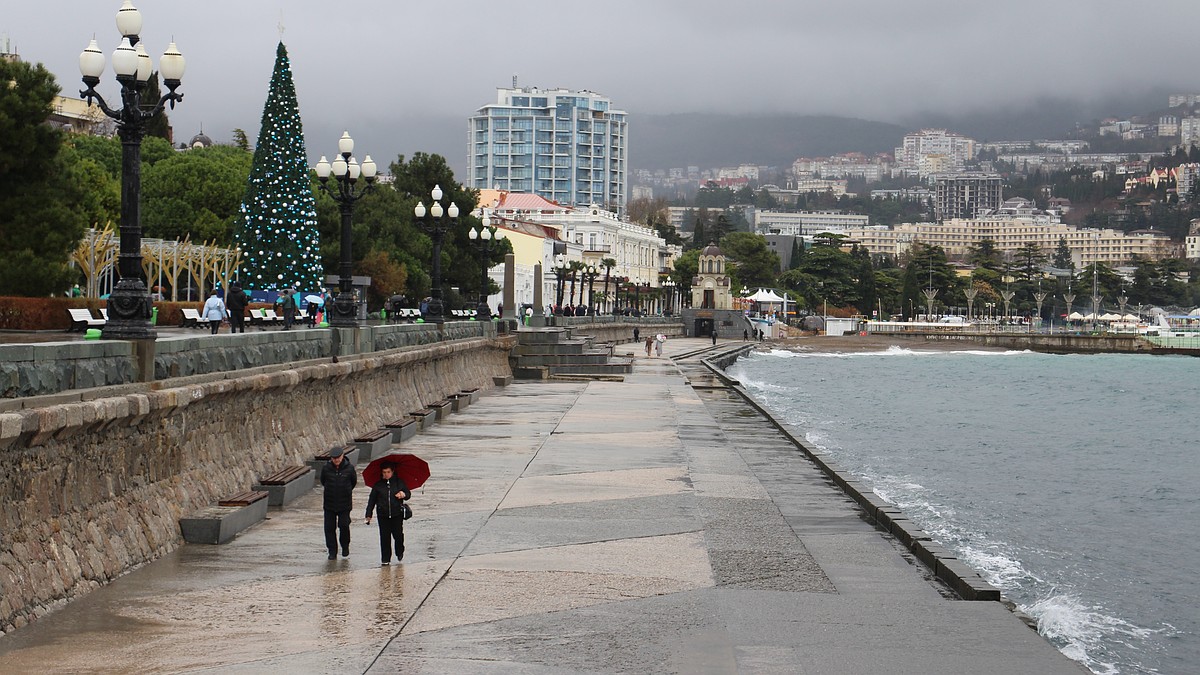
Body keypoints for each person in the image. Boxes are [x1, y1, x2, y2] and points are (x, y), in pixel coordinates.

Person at [364, 464, 411, 566]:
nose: (386, 474)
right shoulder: (378, 486)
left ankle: (399, 551)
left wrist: (403, 494)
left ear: (392, 472)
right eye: (384, 472)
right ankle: (385, 559)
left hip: (396, 514)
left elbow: (408, 493)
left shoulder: (399, 482)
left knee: (398, 535)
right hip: (382, 515)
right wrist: (368, 514)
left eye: (388, 472)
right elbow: (371, 501)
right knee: (384, 537)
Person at [319, 446, 357, 560]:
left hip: (344, 504)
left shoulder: (349, 468)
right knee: (329, 528)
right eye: (334, 458)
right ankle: (332, 551)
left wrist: (346, 491)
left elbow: (353, 482)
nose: (336, 460)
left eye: (338, 458)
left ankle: (345, 546)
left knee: (344, 525)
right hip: (329, 504)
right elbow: (323, 481)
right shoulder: (326, 469)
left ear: (342, 456)